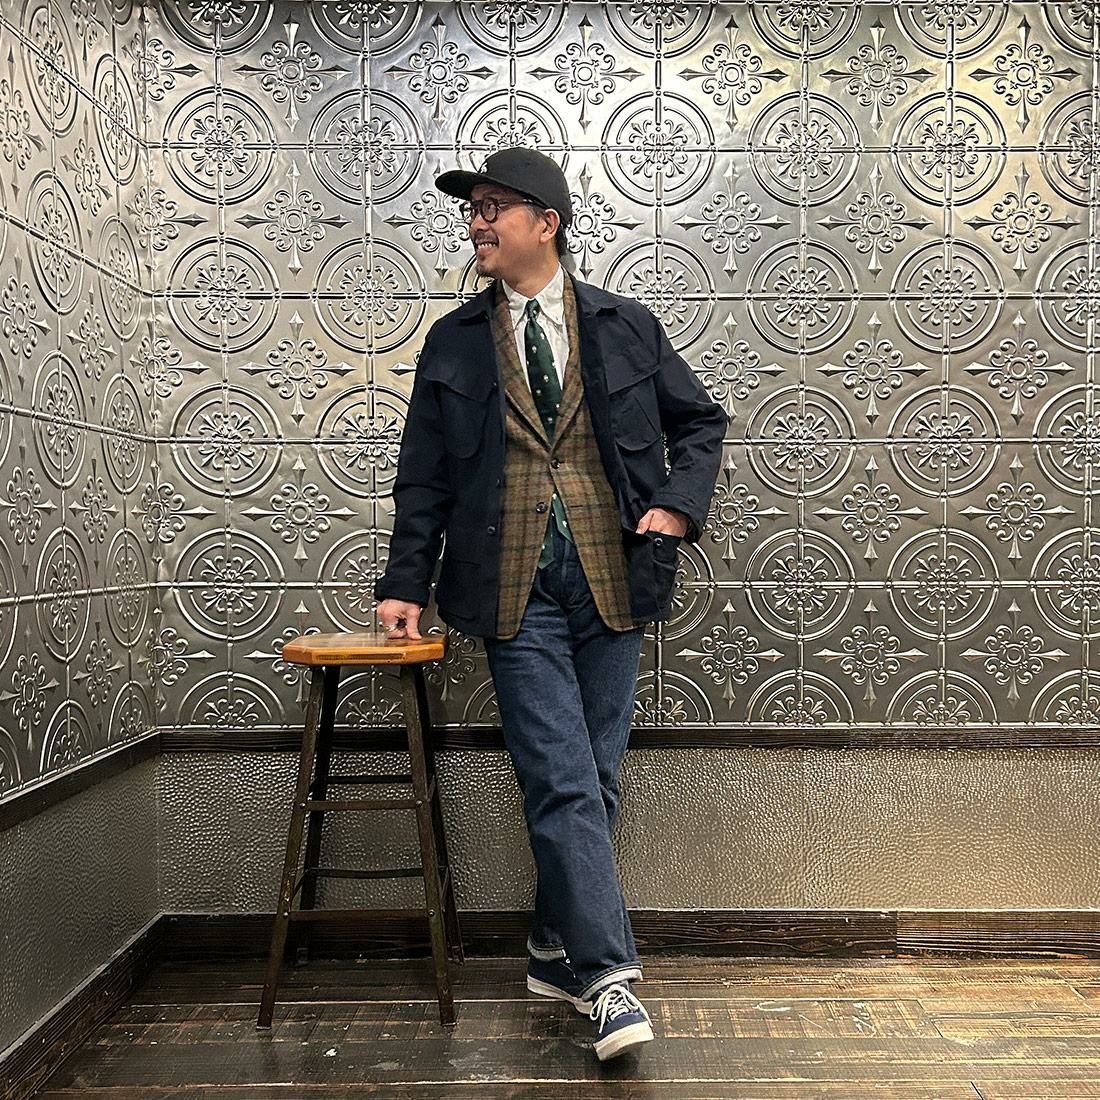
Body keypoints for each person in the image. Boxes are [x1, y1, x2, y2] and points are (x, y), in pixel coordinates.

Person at [375, 147, 726, 1061]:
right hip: (509, 586)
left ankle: (549, 946)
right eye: (473, 210)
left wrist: (677, 506)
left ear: (547, 223)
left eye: (495, 207)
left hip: (615, 577)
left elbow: (701, 422)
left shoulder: (625, 325)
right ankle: (608, 978)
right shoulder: (454, 342)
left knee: (595, 779)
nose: (477, 222)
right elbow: (423, 475)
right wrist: (405, 582)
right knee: (563, 777)